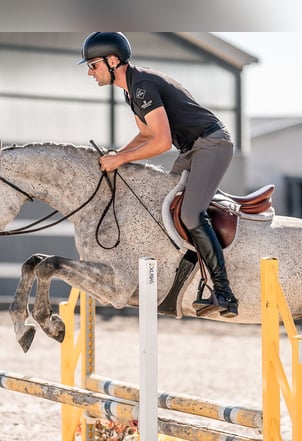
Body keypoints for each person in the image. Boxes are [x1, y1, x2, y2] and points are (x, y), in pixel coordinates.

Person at [79, 32, 239, 318]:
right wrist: (118, 154)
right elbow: (145, 134)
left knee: (190, 214)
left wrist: (121, 159)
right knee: (163, 206)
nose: (90, 72)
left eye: (93, 65)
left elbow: (162, 142)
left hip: (212, 144)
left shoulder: (141, 86)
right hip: (192, 149)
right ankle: (181, 286)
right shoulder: (131, 89)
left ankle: (224, 292)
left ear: (113, 61)